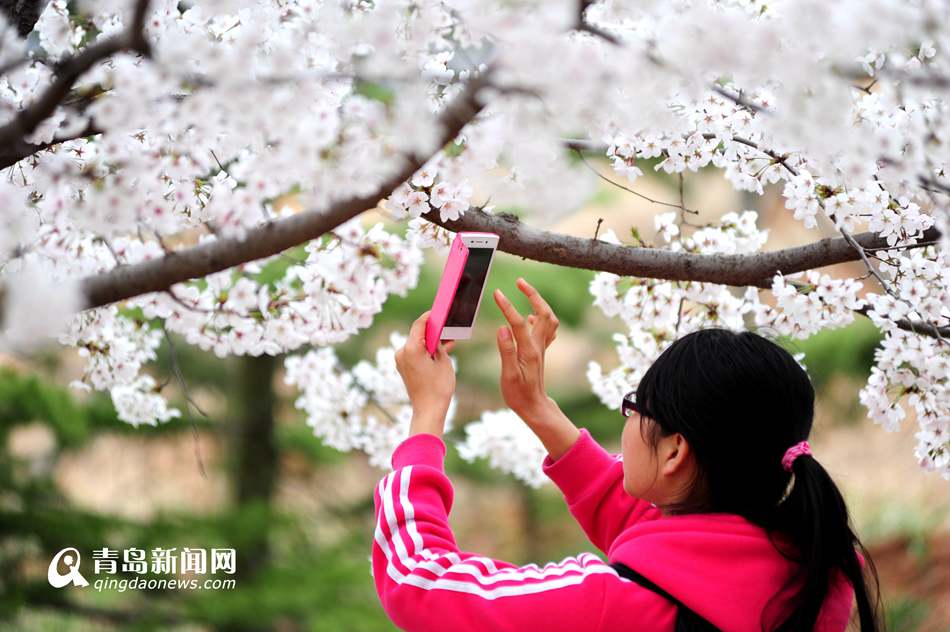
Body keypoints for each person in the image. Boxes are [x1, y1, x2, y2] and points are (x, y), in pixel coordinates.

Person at [373, 276, 883, 631]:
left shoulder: (610, 607)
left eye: (635, 407)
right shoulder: (812, 573)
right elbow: (666, 541)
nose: (628, 421)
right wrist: (537, 408)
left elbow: (419, 581)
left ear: (675, 452)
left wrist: (427, 414)